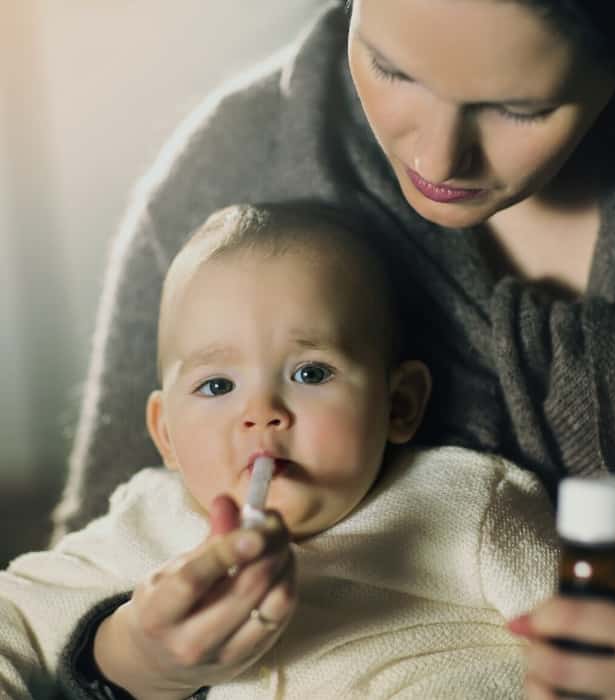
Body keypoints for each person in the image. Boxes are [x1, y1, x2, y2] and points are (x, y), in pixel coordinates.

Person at [51, 1, 615, 697]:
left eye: (518, 108)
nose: (437, 158)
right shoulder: (226, 174)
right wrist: (125, 661)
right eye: (391, 68)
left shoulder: (475, 513)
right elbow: (76, 588)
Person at [0, 203, 559, 699]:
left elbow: (599, 629)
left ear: (400, 406)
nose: (263, 410)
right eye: (217, 385)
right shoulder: (146, 523)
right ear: (166, 433)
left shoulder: (466, 501)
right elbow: (14, 616)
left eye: (311, 372)